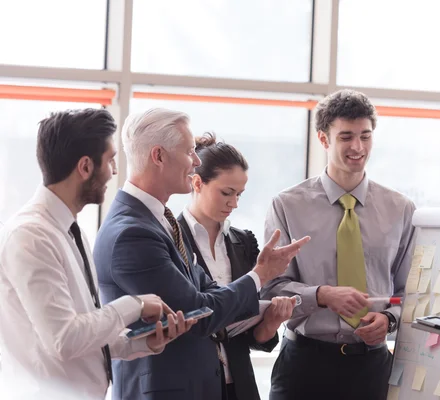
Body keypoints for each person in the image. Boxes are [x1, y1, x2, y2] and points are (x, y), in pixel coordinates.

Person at [93, 108, 309, 400]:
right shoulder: (133, 233)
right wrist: (260, 275)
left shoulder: (160, 220)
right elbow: (197, 312)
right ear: (158, 156)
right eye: (190, 151)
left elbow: (207, 292)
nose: (196, 161)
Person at [0, 109, 194, 400]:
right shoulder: (31, 237)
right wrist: (135, 304)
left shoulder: (68, 231)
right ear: (86, 167)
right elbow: (64, 339)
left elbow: (86, 333)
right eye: (111, 159)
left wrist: (143, 342)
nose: (115, 171)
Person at [261, 89, 416, 400]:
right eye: (346, 137)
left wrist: (388, 320)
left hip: (372, 367)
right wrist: (320, 295)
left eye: (365, 136)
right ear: (323, 139)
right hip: (304, 365)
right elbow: (270, 288)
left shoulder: (400, 208)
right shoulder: (287, 206)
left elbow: (410, 291)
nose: (357, 147)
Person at [178, 132, 295, 400]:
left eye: (240, 194)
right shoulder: (171, 238)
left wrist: (272, 321)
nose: (234, 203)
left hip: (239, 386)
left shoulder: (243, 242)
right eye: (226, 193)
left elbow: (250, 336)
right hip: (192, 384)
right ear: (197, 182)